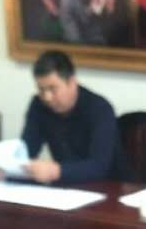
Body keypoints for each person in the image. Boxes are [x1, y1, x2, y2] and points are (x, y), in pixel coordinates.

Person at [19, 49, 119, 184]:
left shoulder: (100, 108)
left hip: (108, 185)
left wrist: (56, 171)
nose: (47, 97)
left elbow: (99, 166)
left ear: (71, 82)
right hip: (65, 186)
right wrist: (11, 167)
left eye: (52, 89)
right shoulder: (38, 105)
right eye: (41, 89)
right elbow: (26, 151)